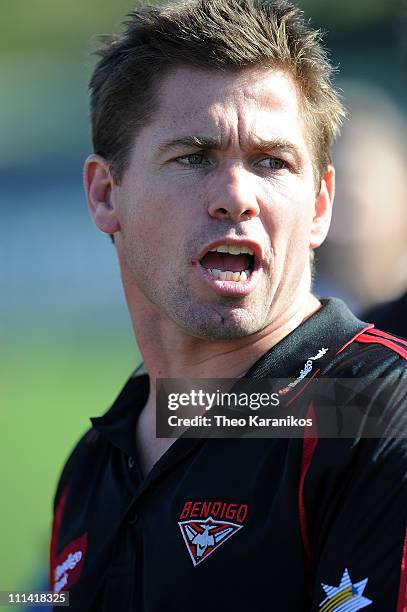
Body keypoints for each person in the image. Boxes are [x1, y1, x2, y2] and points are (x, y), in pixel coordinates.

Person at [49, 0, 407, 610]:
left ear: (320, 205)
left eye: (272, 162)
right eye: (193, 157)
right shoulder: (93, 463)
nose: (237, 197)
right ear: (107, 194)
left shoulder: (379, 410)